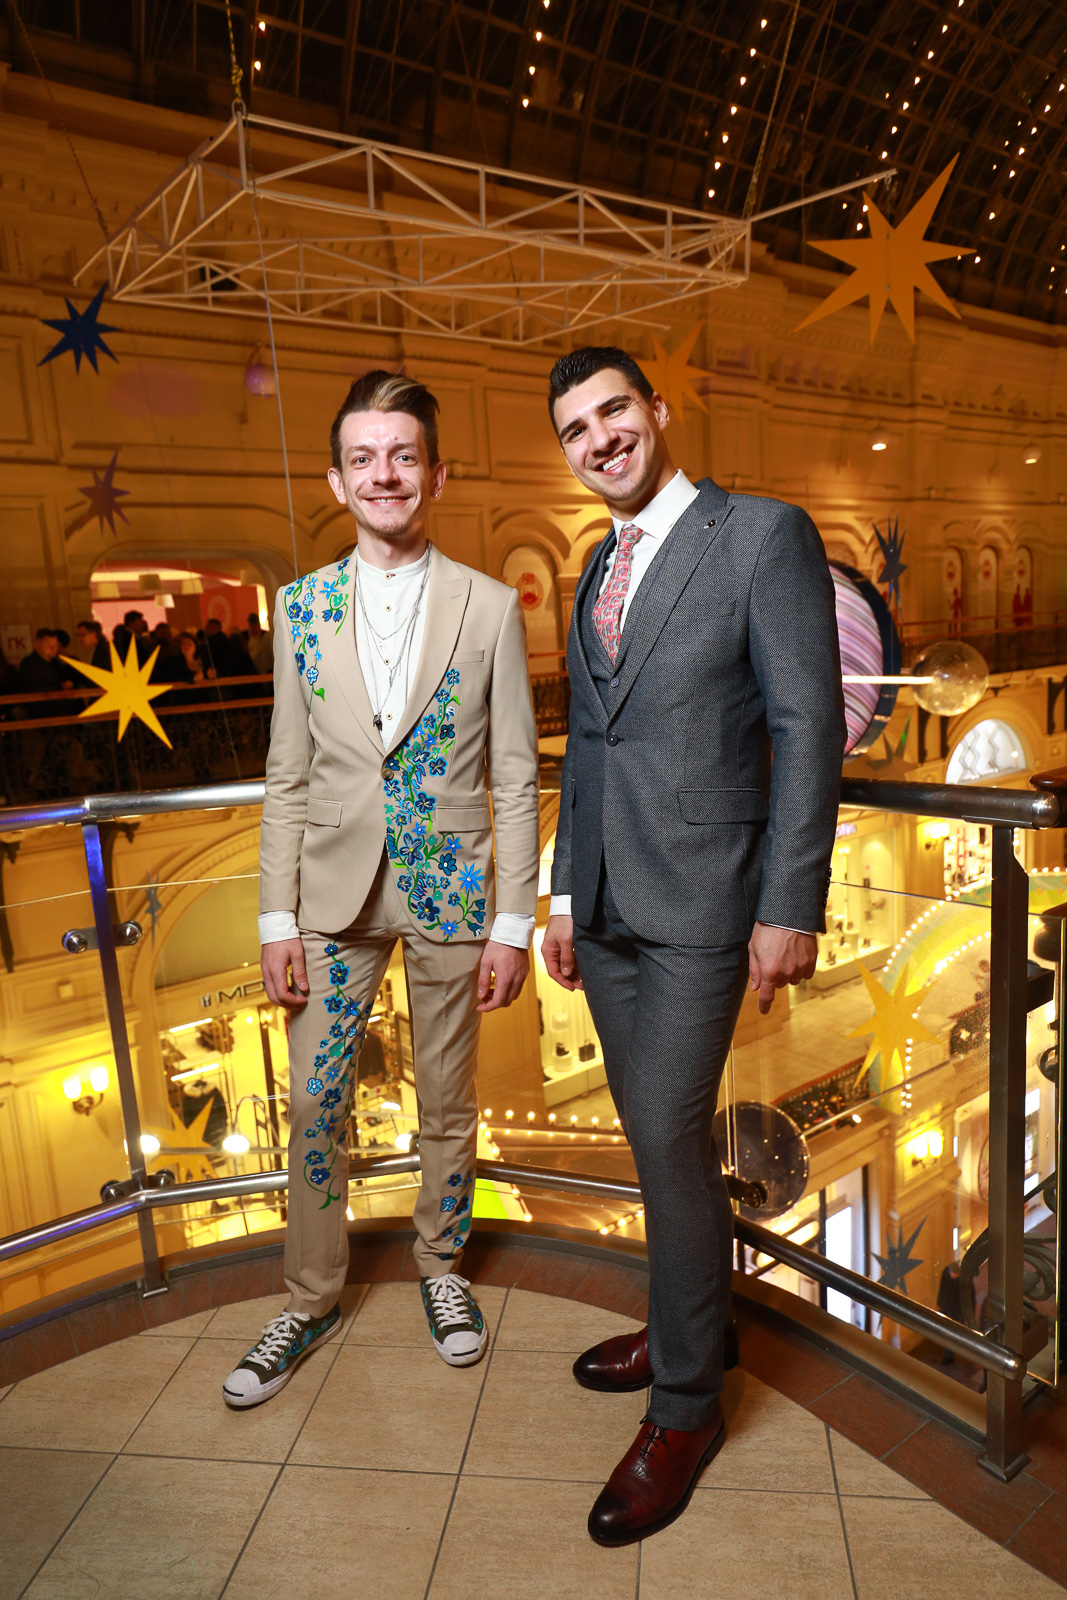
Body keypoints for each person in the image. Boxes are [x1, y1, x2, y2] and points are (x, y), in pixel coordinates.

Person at [541, 346, 845, 1547]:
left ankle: (682, 1410)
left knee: (668, 1130)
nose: (599, 438)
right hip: (605, 901)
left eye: (613, 410)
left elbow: (806, 724)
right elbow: (589, 739)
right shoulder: (593, 562)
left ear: (656, 410)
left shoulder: (760, 534)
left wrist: (790, 902)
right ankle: (696, 1325)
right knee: (649, 1132)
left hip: (709, 899)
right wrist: (562, 890)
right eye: (574, 429)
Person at [222, 370, 539, 1409]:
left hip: (454, 886)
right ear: (337, 479)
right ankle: (309, 1295)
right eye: (363, 458)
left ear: (435, 473)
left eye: (403, 455)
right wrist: (275, 915)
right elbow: (286, 772)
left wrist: (513, 920)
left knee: (447, 1096)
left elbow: (513, 775)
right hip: (330, 893)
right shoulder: (300, 605)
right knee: (315, 1097)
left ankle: (441, 1266)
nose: (384, 474)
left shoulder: (489, 605)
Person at [19, 629, 75, 696]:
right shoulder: (29, 663)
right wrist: (60, 687)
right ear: (38, 643)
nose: (53, 648)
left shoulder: (55, 663)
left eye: (55, 645)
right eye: (48, 645)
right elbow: (33, 687)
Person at [247, 611, 274, 675]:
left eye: (253, 625)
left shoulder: (265, 636)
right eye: (250, 625)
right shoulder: (246, 636)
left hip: (265, 670)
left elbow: (265, 659)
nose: (252, 628)